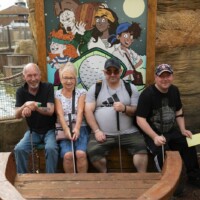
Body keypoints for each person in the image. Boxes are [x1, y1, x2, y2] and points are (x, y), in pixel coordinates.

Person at [136, 63, 200, 187]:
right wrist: (154, 137)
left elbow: (179, 111)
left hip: (171, 130)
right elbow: (140, 119)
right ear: (156, 77)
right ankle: (168, 184)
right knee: (162, 152)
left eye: (168, 75)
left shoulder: (174, 90)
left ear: (172, 76)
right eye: (161, 76)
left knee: (190, 141)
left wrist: (182, 129)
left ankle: (194, 177)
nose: (165, 79)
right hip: (153, 134)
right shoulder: (147, 95)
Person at [85, 58, 148, 173]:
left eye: (116, 71)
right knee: (93, 151)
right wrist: (97, 131)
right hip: (103, 133)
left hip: (128, 132)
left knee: (141, 149)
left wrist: (124, 108)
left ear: (120, 72)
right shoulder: (96, 88)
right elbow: (88, 111)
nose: (112, 74)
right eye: (109, 71)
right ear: (104, 72)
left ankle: (141, 178)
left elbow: (136, 110)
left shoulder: (130, 88)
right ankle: (105, 175)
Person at [14, 63, 58, 173]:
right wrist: (25, 106)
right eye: (29, 76)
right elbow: (16, 114)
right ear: (24, 77)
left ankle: (50, 178)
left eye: (35, 75)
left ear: (40, 75)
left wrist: (34, 106)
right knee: (19, 149)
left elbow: (50, 110)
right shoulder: (20, 91)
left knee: (51, 148)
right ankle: (23, 178)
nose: (33, 79)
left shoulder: (48, 87)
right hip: (33, 131)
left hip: (51, 130)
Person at [55, 62, 89, 173]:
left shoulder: (81, 92)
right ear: (61, 79)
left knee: (81, 154)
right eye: (65, 78)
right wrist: (66, 130)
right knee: (68, 156)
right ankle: (70, 182)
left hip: (80, 127)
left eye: (71, 78)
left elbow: (80, 111)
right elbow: (60, 114)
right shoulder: (57, 94)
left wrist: (77, 128)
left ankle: (83, 182)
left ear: (75, 79)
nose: (69, 81)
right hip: (64, 127)